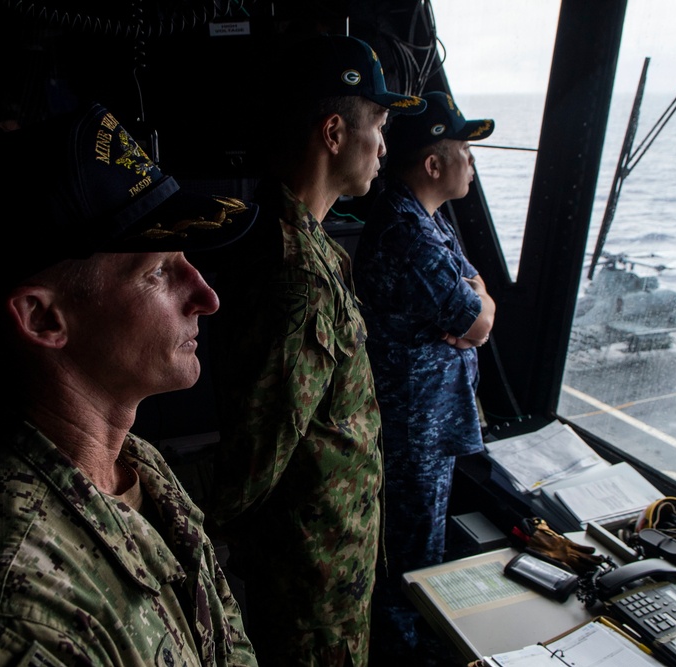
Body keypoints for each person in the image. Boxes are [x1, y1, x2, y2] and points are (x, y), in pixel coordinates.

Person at [0, 101, 260, 666]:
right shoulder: (20, 615)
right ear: (44, 319)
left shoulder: (137, 464)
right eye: (155, 271)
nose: (206, 296)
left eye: (185, 260)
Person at [206, 35, 426, 666]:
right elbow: (250, 464)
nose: (385, 146)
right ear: (335, 132)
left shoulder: (314, 249)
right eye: (378, 125)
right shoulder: (297, 276)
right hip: (310, 584)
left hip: (332, 561)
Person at [351, 91, 497, 665]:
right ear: (433, 164)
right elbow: (479, 320)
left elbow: (480, 294)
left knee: (420, 557)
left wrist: (472, 312)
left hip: (429, 427)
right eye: (464, 150)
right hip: (413, 434)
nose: (472, 162)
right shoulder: (407, 233)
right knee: (410, 569)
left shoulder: (426, 221)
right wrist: (471, 315)